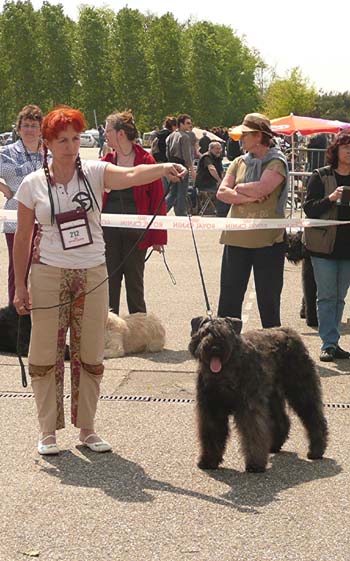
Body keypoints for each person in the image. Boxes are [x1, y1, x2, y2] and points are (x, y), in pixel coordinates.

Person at [12, 105, 186, 456]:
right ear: (47, 142)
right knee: (45, 351)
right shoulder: (32, 184)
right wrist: (20, 286)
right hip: (48, 272)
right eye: (62, 140)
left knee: (90, 350)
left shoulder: (93, 171)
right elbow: (22, 238)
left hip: (92, 271)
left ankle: (87, 429)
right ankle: (48, 431)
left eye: (76, 138)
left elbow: (131, 175)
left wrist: (163, 168)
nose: (71, 146)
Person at [216, 113, 289, 328]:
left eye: (245, 134)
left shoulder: (277, 162)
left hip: (268, 241)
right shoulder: (238, 162)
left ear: (259, 136)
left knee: (268, 299)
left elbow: (264, 187)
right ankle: (226, 348)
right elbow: (222, 192)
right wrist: (249, 196)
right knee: (229, 297)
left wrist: (238, 189)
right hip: (236, 238)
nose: (241, 139)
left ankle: (275, 351)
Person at [102, 110, 167, 315]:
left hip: (136, 232)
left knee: (135, 284)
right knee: (109, 282)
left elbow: (158, 200)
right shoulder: (106, 160)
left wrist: (158, 237)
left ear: (120, 133)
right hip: (108, 232)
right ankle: (107, 331)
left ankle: (140, 333)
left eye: (108, 130)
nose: (105, 134)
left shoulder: (146, 160)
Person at [303, 130, 350, 362]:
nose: (349, 151)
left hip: (347, 248)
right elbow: (309, 208)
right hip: (323, 247)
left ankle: (334, 342)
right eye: (345, 146)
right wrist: (331, 198)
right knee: (326, 296)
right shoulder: (320, 176)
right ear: (336, 150)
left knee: (340, 297)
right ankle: (328, 343)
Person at [0, 104, 44, 305]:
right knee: (19, 269)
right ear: (18, 128)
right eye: (25, 125)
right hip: (16, 219)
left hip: (45, 221)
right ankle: (15, 314)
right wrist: (3, 188)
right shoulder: (7, 152)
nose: (29, 130)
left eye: (34, 125)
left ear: (41, 128)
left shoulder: (50, 152)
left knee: (44, 270)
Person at [166, 114, 196, 216]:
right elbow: (187, 156)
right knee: (182, 191)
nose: (190, 125)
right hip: (182, 166)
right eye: (187, 123)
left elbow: (167, 153)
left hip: (172, 164)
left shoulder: (171, 136)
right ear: (181, 124)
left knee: (173, 192)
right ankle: (181, 213)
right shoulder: (184, 137)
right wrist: (192, 170)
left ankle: (162, 210)